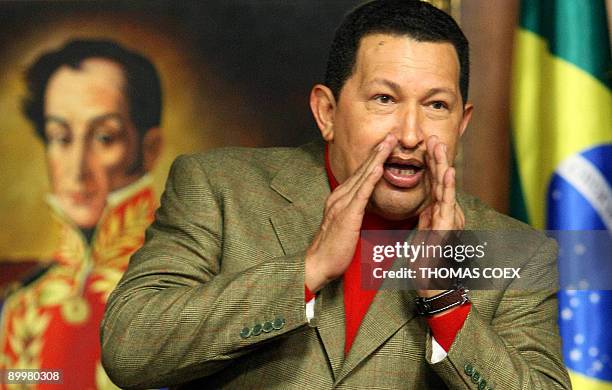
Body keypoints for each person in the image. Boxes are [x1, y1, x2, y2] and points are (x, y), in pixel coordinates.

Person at [101, 1, 571, 389]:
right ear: (327, 111)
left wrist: (444, 300)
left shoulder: (517, 253)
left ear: (461, 124)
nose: (410, 134)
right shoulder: (220, 188)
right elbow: (130, 349)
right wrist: (306, 271)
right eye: (384, 99)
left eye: (436, 105)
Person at [0, 39, 163, 389]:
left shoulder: (179, 287)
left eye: (104, 137)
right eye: (60, 137)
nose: (76, 170)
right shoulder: (21, 304)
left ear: (149, 149)